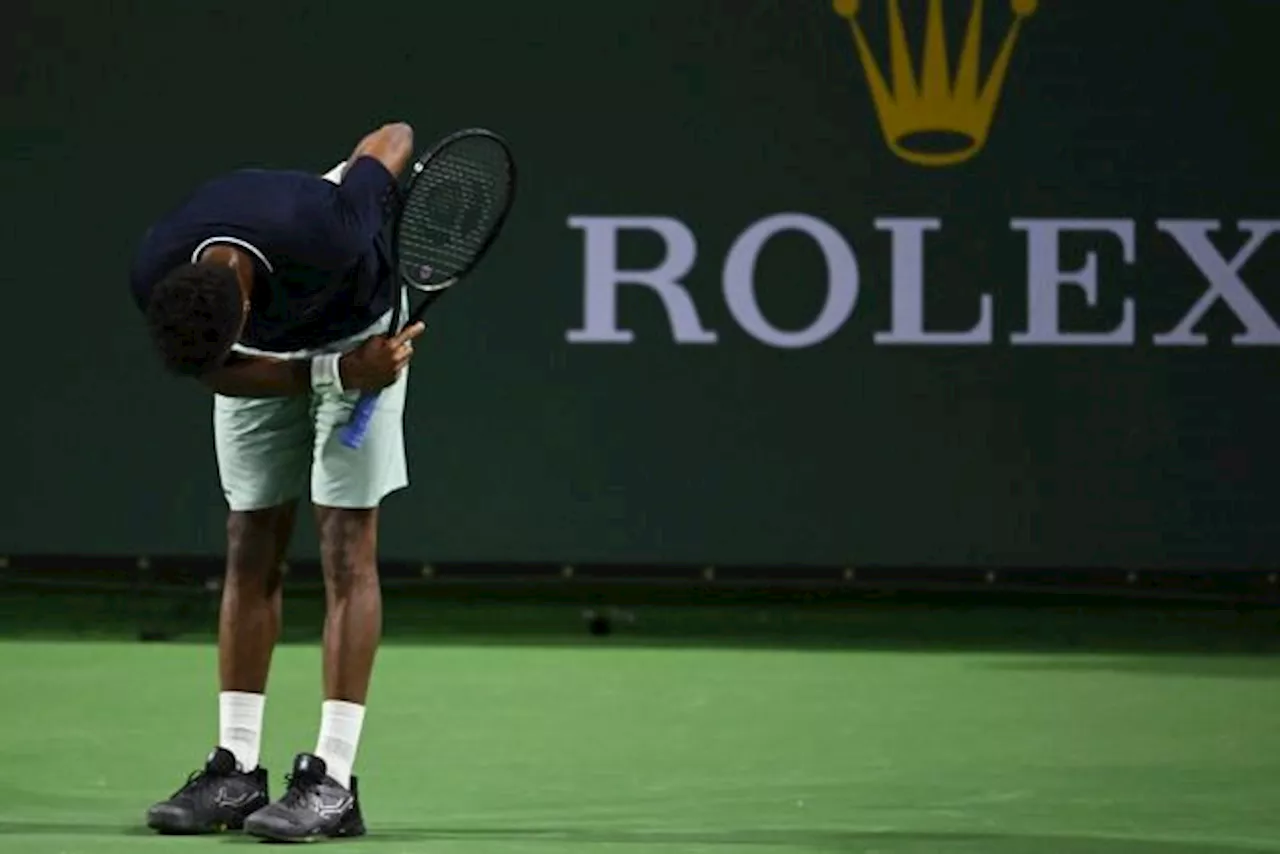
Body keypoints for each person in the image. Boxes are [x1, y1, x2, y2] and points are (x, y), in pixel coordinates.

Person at [129, 121, 425, 842]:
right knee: (248, 538)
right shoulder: (159, 272)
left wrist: (353, 368)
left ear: (253, 309)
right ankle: (234, 768)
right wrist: (320, 376)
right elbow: (214, 372)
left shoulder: (327, 230)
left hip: (358, 329)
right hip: (310, 355)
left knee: (345, 544)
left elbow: (394, 136)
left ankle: (333, 781)